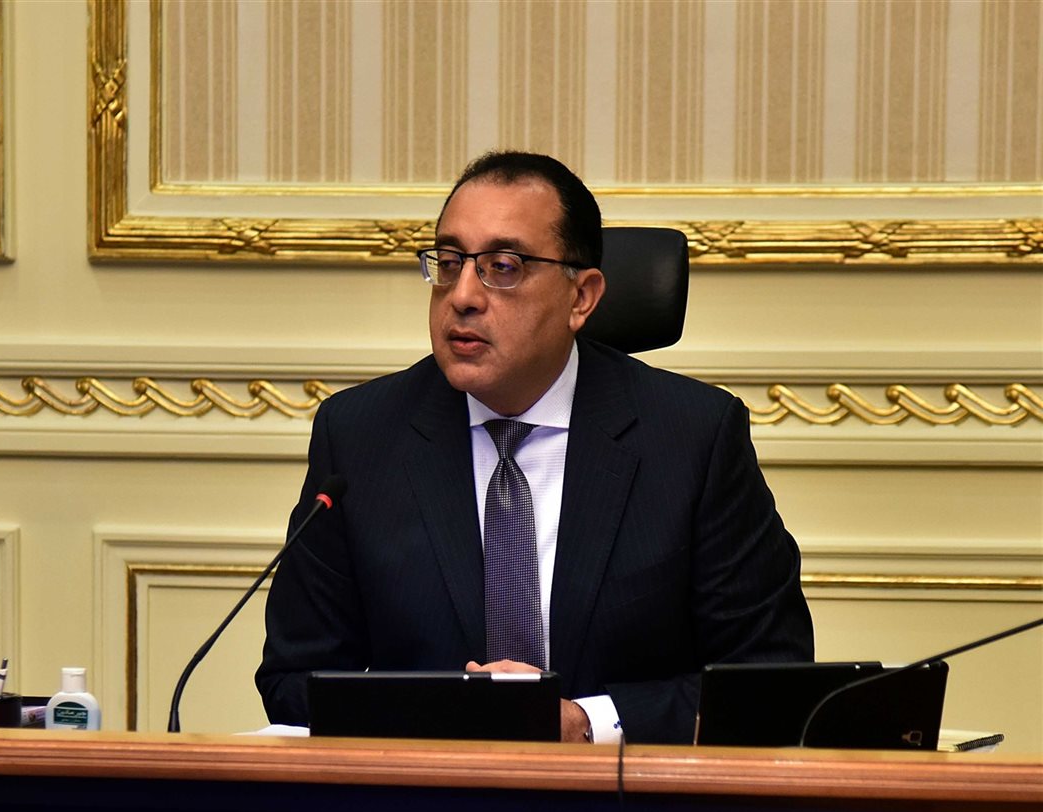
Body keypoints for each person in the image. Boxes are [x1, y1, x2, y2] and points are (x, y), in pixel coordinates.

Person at [257, 150, 813, 744]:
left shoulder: (693, 437)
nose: (462, 295)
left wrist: (588, 723)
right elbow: (294, 679)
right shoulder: (360, 434)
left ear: (581, 298)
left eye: (503, 266)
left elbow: (768, 678)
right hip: (426, 792)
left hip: (627, 796)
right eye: (449, 262)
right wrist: (445, 712)